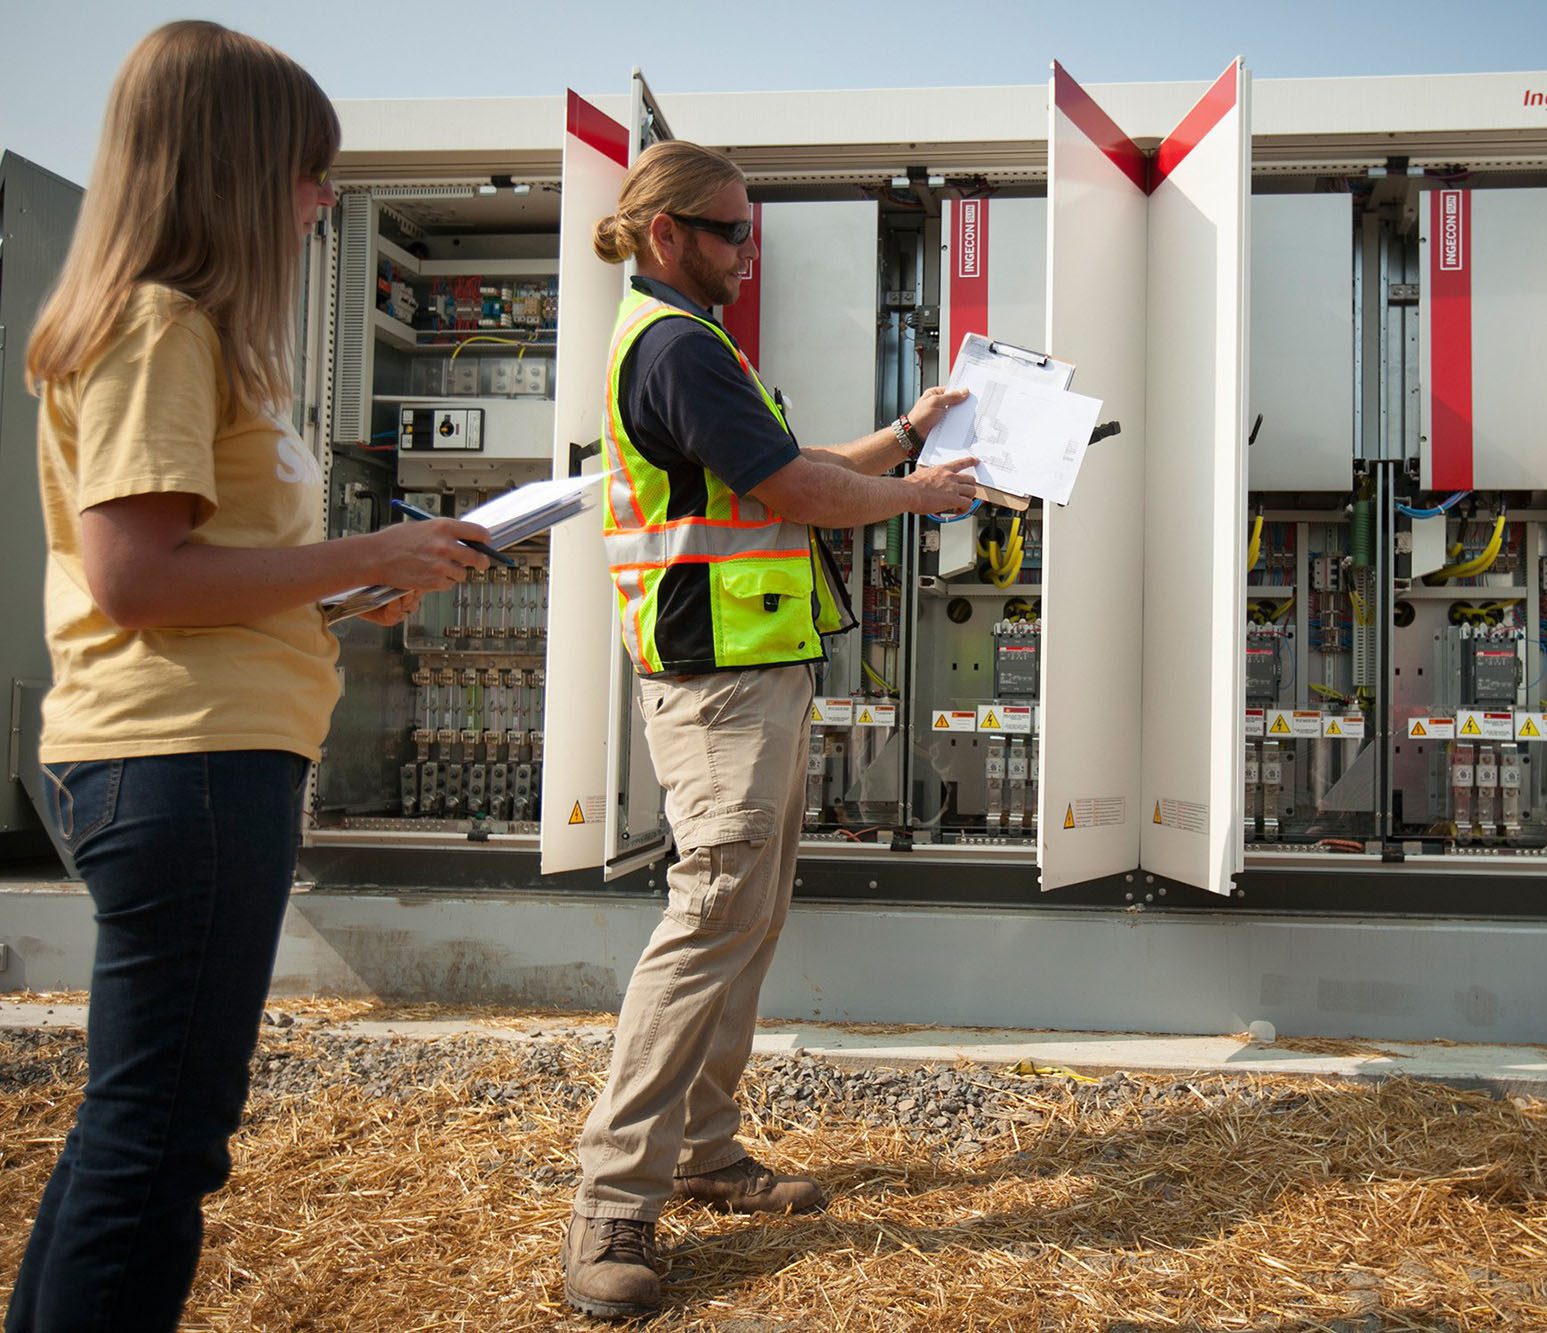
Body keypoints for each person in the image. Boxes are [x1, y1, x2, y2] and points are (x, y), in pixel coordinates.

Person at [5, 23, 492, 1332]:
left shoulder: (180, 331)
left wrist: (346, 580)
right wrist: (368, 544)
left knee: (142, 1126)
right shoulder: (161, 328)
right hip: (186, 765)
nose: (324, 201)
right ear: (233, 166)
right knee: (162, 1137)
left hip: (195, 755)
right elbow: (137, 577)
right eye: (307, 171)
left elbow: (197, 570)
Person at [562, 140, 979, 1320]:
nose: (750, 251)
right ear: (666, 235)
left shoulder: (696, 343)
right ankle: (610, 1202)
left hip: (752, 675)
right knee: (708, 920)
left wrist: (906, 431)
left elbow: (782, 472)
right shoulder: (677, 345)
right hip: (717, 684)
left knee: (745, 920)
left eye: (752, 231)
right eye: (732, 231)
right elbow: (801, 498)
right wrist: (918, 495)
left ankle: (703, 1152)